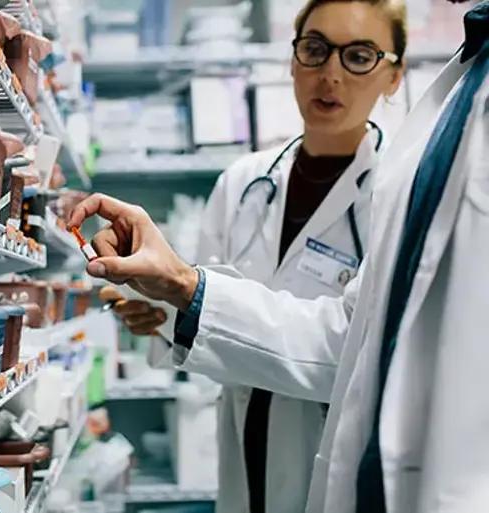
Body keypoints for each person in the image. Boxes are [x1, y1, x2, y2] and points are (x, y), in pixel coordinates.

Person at [70, 2, 489, 512]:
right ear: (292, 61)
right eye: (314, 49)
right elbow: (206, 322)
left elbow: (350, 349)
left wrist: (187, 292)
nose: (330, 73)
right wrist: (159, 315)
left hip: (324, 440)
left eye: (358, 56)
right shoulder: (243, 183)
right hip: (242, 439)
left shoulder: (397, 194)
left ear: (395, 76)